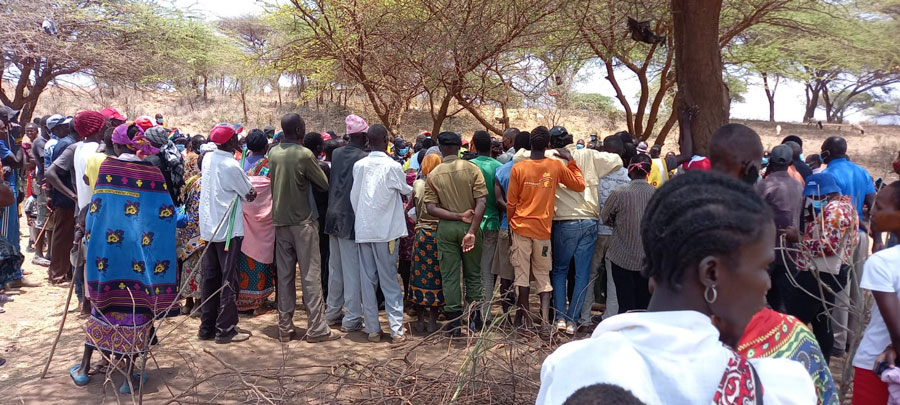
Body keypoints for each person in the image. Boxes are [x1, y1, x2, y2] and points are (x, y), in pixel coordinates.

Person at [537, 171, 816, 405]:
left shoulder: (568, 366)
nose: (767, 283)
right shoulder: (780, 387)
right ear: (711, 273)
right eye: (762, 267)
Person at [70, 121, 179, 393]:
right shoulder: (153, 173)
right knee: (137, 309)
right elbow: (167, 214)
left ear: (117, 145)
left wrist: (86, 232)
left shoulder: (108, 168)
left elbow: (98, 209)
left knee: (104, 306)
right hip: (142, 256)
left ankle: (84, 369)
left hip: (109, 255)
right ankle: (128, 377)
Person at [507, 126, 585, 329]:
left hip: (521, 228)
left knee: (522, 276)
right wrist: (571, 160)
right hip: (543, 231)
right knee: (543, 276)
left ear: (530, 144)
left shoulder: (519, 168)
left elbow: (511, 203)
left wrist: (511, 224)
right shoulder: (555, 166)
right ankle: (544, 323)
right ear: (549, 145)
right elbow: (579, 185)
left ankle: (525, 323)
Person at [267, 113, 334, 343]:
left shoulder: (273, 153)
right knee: (310, 275)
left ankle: (285, 328)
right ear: (298, 130)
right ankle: (317, 328)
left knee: (284, 277)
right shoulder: (305, 155)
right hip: (303, 222)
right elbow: (323, 184)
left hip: (280, 222)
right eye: (303, 126)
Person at [547, 126, 621, 334]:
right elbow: (617, 160)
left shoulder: (550, 156)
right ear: (570, 139)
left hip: (563, 221)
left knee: (560, 271)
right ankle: (573, 320)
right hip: (589, 221)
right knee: (582, 274)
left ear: (552, 143)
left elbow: (519, 156)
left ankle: (560, 318)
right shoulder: (590, 154)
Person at [350, 124, 412, 343]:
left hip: (365, 229)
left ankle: (373, 330)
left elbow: (354, 198)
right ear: (386, 139)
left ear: (368, 140)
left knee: (367, 280)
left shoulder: (360, 166)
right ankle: (396, 330)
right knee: (389, 281)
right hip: (386, 234)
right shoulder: (392, 166)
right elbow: (406, 190)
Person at [424, 131, 488, 335]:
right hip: (472, 226)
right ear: (459, 148)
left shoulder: (434, 174)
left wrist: (457, 215)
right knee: (473, 274)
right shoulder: (472, 169)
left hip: (446, 228)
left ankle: (454, 324)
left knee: (450, 276)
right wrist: (471, 230)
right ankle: (475, 319)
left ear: (441, 148)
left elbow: (431, 208)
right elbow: (482, 202)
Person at [198, 123, 257, 344]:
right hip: (228, 231)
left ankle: (206, 327)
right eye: (236, 139)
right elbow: (249, 194)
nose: (239, 142)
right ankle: (225, 329)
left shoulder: (208, 159)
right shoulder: (231, 165)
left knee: (210, 278)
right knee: (228, 279)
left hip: (209, 228)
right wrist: (251, 190)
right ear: (230, 142)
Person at [793, 172, 858, 363]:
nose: (812, 200)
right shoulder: (846, 206)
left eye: (814, 196)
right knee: (822, 322)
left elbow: (828, 246)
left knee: (797, 320)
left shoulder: (835, 210)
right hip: (831, 273)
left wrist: (797, 239)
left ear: (823, 194)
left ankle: (794, 360)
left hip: (821, 273)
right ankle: (823, 363)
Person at [821, 136, 876, 355]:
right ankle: (852, 340)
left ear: (827, 152)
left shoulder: (828, 175)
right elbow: (872, 202)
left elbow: (824, 208)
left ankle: (837, 342)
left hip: (840, 235)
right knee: (857, 285)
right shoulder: (861, 171)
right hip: (861, 235)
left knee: (839, 287)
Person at [851, 181, 900, 405]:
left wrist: (893, 349)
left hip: (878, 367)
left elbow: (897, 332)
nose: (871, 211)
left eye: (880, 207)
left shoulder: (883, 263)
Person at [323, 115, 369, 332]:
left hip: (333, 216)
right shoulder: (363, 157)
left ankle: (332, 312)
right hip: (350, 218)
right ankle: (351, 318)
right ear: (361, 135)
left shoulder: (338, 153)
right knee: (352, 271)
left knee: (336, 269)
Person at [600, 154, 655, 314]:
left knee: (625, 305)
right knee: (644, 306)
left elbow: (605, 218)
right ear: (648, 171)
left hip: (621, 257)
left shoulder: (618, 193)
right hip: (647, 260)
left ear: (630, 169)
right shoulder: (657, 194)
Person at [585, 135, 630, 325]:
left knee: (589, 275)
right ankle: (610, 318)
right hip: (617, 234)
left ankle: (584, 317)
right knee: (613, 277)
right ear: (622, 153)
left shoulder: (596, 174)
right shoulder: (629, 176)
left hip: (596, 231)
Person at [754, 144, 804, 313]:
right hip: (790, 250)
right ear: (790, 162)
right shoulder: (798, 186)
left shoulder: (763, 186)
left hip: (767, 250)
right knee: (783, 299)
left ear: (771, 162)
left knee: (761, 298)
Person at [492, 131, 530, 316]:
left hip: (506, 226)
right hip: (531, 228)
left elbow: (498, 200)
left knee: (505, 274)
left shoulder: (502, 169)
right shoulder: (537, 169)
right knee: (524, 274)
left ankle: (507, 314)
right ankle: (522, 315)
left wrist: (512, 212)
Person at [409, 153, 444, 333]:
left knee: (419, 275)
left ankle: (420, 320)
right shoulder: (442, 184)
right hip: (439, 234)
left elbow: (409, 208)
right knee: (437, 277)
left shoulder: (418, 184)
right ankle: (433, 320)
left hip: (421, 234)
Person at [236, 162, 275, 314]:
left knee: (244, 263)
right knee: (263, 262)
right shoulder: (272, 174)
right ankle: (259, 303)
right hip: (266, 228)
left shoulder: (248, 173)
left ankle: (241, 301)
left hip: (247, 227)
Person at [469, 131, 502, 305]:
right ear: (491, 146)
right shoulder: (499, 166)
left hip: (472, 225)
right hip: (492, 224)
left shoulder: (468, 166)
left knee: (470, 270)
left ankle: (470, 312)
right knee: (487, 272)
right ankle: (486, 313)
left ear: (473, 145)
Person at [45, 114, 79, 286]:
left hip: (67, 196)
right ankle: (57, 275)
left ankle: (64, 272)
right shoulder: (68, 144)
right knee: (62, 236)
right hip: (66, 198)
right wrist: (69, 194)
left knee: (67, 235)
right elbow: (51, 173)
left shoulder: (69, 143)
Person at [177, 156, 205, 316]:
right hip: (201, 232)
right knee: (201, 267)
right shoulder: (206, 183)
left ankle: (188, 303)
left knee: (188, 266)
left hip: (187, 230)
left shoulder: (191, 180)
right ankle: (198, 304)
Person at [143, 126, 185, 205]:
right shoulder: (176, 155)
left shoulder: (149, 162)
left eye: (147, 140)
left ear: (153, 142)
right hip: (174, 201)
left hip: (156, 203)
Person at [30, 115, 52, 266]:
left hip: (48, 183)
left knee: (50, 220)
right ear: (46, 127)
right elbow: (46, 162)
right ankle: (38, 253)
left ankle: (49, 252)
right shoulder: (40, 143)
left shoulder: (47, 142)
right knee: (42, 219)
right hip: (43, 184)